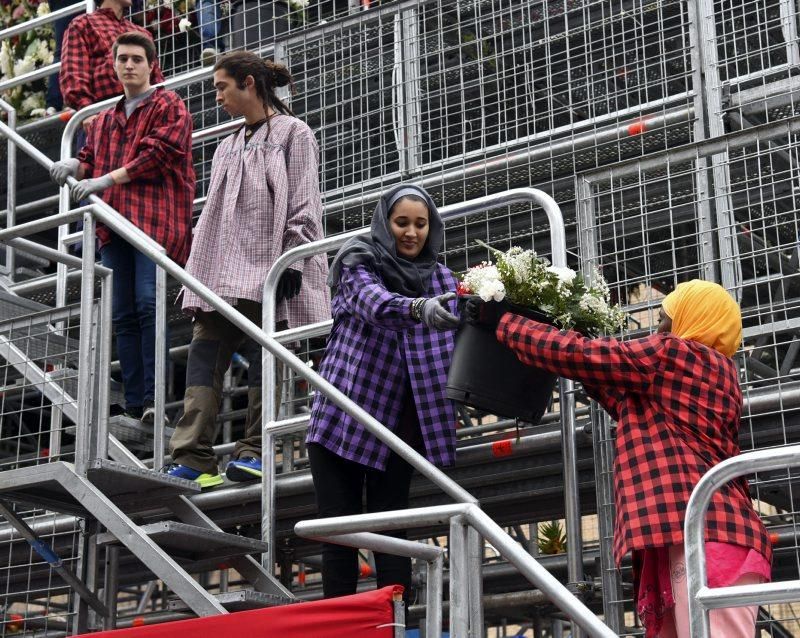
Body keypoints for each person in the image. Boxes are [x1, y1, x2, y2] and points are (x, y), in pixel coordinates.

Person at [465, 280, 772, 638]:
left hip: (709, 536)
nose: (658, 329)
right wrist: (574, 339)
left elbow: (586, 357)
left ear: (696, 319)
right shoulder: (709, 372)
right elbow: (619, 393)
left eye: (666, 319)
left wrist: (504, 322)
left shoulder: (676, 355)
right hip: (705, 533)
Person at [165, 51, 330, 488]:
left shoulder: (294, 134)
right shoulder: (226, 146)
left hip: (269, 267)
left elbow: (305, 200)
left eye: (222, 86)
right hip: (220, 269)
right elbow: (214, 213)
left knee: (265, 356)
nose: (216, 95)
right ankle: (192, 456)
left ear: (250, 83)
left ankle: (256, 452)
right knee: (204, 355)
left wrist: (296, 252)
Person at [305, 183, 460, 603]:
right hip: (344, 421)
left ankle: (397, 628)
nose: (411, 232)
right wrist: (418, 308)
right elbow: (374, 304)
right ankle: (343, 631)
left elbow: (473, 327)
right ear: (384, 223)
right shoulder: (359, 259)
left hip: (399, 426)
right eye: (401, 222)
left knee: (391, 534)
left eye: (421, 224)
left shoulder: (443, 278)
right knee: (340, 535)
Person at [49, 31, 195, 423]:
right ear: (114, 65)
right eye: (122, 59)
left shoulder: (168, 103)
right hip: (113, 227)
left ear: (151, 65)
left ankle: (153, 402)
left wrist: (103, 180)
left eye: (136, 59)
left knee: (149, 305)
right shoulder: (104, 119)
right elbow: (89, 156)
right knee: (123, 315)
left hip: (152, 223)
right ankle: (135, 405)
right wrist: (76, 166)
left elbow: (161, 154)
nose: (128, 65)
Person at [59, 0, 164, 129]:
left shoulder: (142, 34)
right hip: (103, 116)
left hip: (143, 114)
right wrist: (86, 112)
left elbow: (157, 80)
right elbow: (73, 74)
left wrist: (161, 110)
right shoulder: (82, 24)